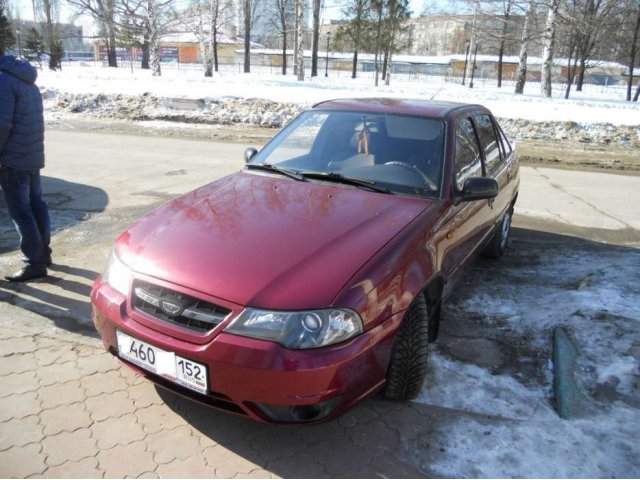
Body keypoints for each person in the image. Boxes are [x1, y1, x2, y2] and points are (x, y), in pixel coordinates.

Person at [0, 55, 51, 282]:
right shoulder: (26, 79)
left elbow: (2, 124)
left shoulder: (3, 81)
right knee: (36, 204)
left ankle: (35, 263)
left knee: (21, 211)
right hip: (31, 154)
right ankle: (43, 254)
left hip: (12, 159)